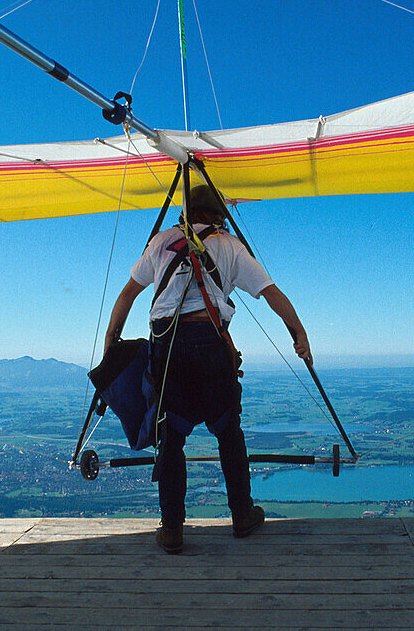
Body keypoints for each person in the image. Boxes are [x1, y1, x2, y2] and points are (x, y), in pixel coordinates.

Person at [104, 185, 310, 554]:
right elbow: (271, 294)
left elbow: (126, 296)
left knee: (171, 438)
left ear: (187, 213)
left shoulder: (162, 242)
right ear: (218, 215)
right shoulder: (230, 246)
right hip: (211, 344)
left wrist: (110, 347)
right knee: (229, 432)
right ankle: (242, 515)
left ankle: (172, 529)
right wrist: (299, 334)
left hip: (168, 349)